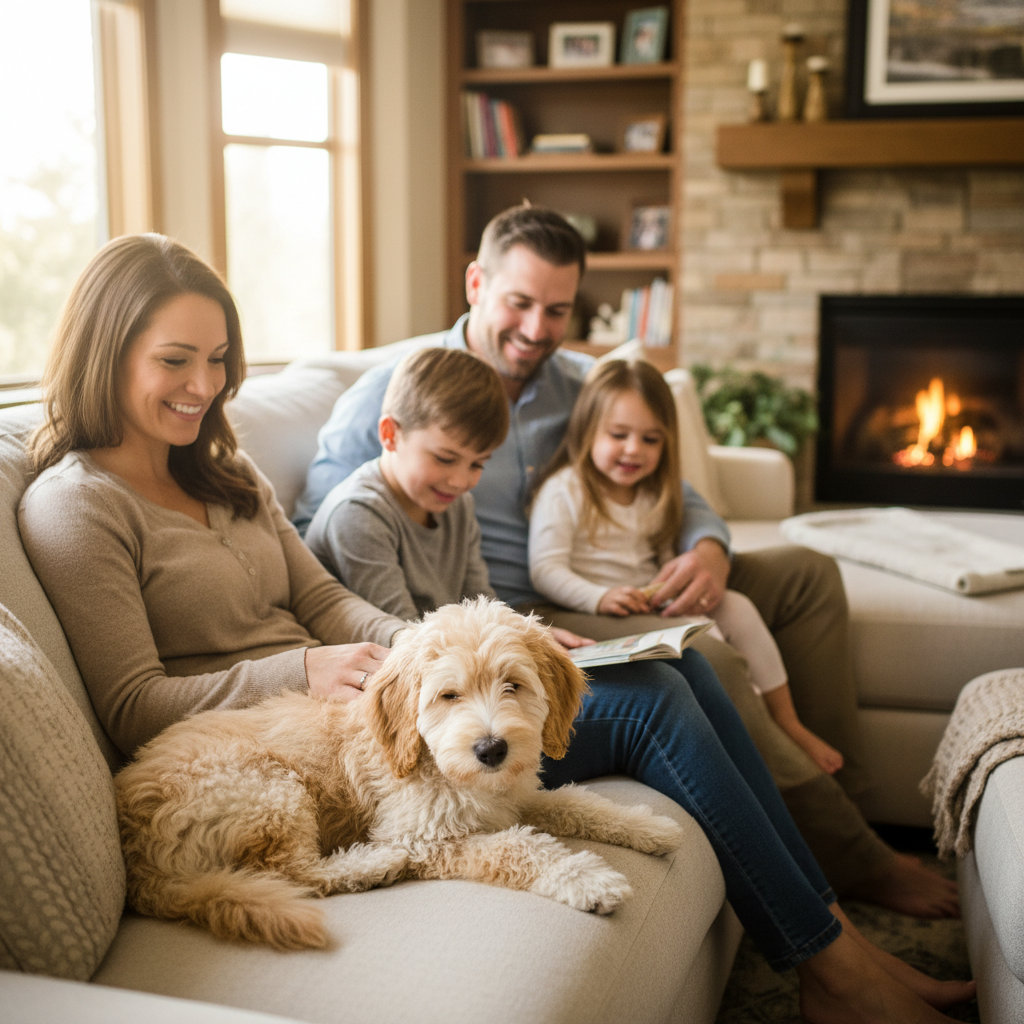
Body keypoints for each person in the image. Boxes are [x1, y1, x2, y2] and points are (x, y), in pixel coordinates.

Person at [18, 233, 973, 1022]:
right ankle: (833, 966)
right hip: (294, 726)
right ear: (109, 350)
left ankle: (830, 933)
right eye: (174, 361)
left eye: (219, 359)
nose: (203, 386)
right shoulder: (78, 506)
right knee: (652, 710)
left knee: (682, 672)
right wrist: (303, 673)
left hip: (381, 694)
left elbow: (325, 602)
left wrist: (448, 650)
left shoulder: (223, 472)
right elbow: (132, 704)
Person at [292, 203, 959, 919]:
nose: (536, 330)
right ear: (476, 283)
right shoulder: (387, 395)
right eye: (519, 303)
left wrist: (707, 547)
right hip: (530, 609)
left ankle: (844, 811)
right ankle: (854, 859)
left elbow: (680, 485)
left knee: (805, 574)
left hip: (617, 563)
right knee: (714, 660)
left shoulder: (579, 382)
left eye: (557, 309)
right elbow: (316, 546)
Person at [528, 357, 843, 775]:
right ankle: (763, 739)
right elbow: (545, 569)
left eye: (651, 439)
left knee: (738, 608)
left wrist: (669, 585)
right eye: (618, 435)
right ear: (586, 432)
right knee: (712, 646)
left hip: (649, 602)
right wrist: (600, 598)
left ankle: (786, 720)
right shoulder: (564, 490)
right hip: (593, 609)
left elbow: (662, 556)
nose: (633, 450)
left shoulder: (654, 493)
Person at [306, 347, 510, 620]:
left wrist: (525, 637)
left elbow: (482, 607)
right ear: (390, 435)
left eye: (477, 464)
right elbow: (401, 636)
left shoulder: (458, 504)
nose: (461, 482)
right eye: (444, 458)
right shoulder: (357, 514)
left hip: (443, 651)